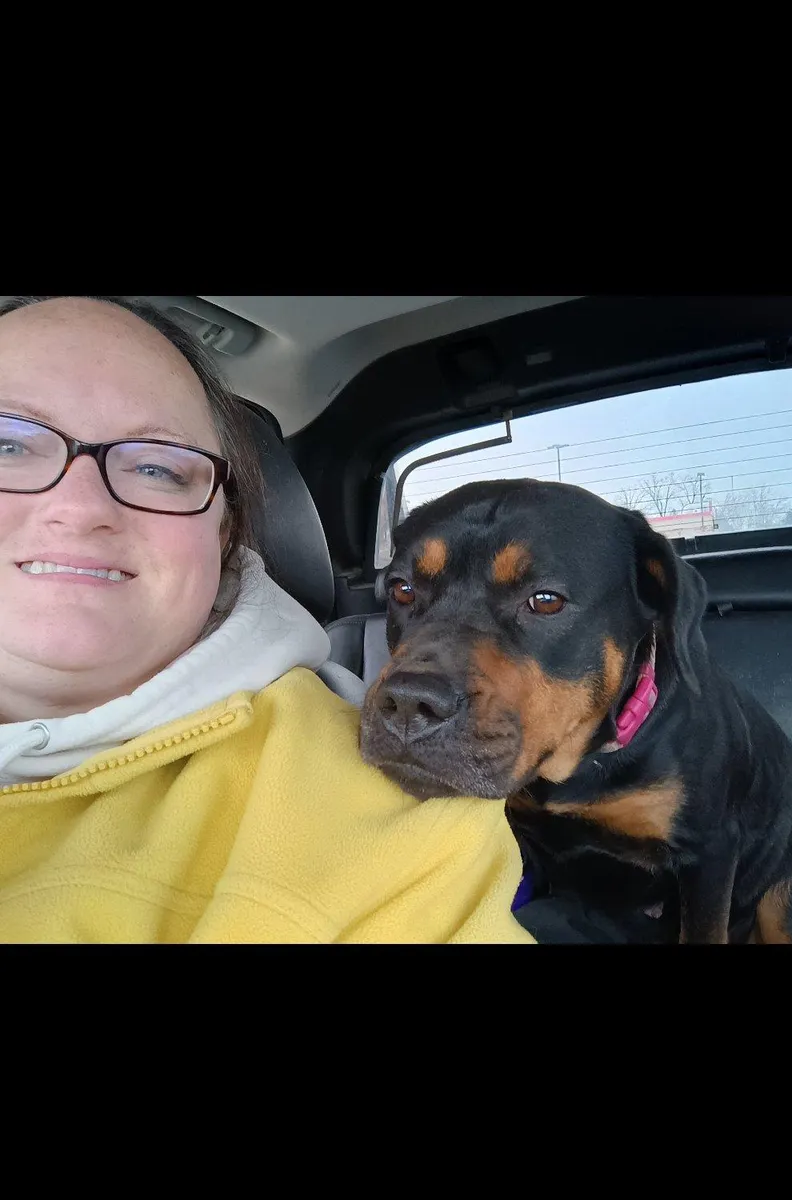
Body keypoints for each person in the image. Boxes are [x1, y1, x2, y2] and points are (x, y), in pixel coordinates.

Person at [0, 297, 532, 943]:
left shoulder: (395, 820)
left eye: (156, 467)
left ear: (224, 532)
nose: (78, 506)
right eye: (7, 443)